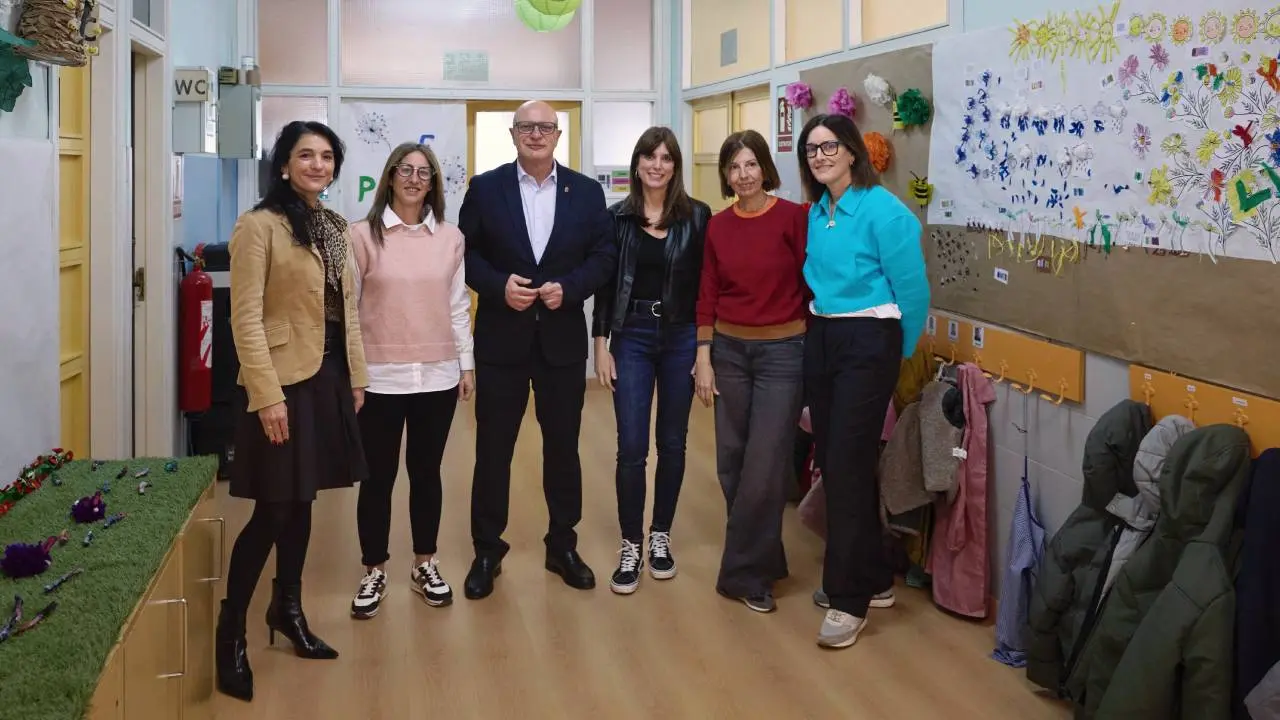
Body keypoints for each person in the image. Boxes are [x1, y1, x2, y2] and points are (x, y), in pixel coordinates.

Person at [218, 120, 369, 701]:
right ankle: (230, 630)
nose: (318, 165)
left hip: (326, 377)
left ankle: (288, 609)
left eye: (327, 156)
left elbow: (344, 310)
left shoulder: (331, 225)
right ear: (283, 164)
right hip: (282, 382)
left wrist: (356, 376)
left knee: (302, 501)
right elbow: (245, 318)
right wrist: (267, 395)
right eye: (305, 155)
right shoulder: (259, 227)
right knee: (274, 510)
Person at [459, 100, 617, 600]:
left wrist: (570, 289)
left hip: (561, 343)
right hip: (501, 340)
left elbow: (604, 256)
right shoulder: (486, 189)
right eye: (526, 127)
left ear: (557, 134)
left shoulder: (587, 193)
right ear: (513, 133)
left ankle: (562, 545)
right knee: (493, 450)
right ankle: (487, 550)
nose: (535, 134)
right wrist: (496, 286)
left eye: (544, 127)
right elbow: (465, 255)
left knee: (563, 449)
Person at [796, 113, 930, 649]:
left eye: (830, 146)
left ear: (854, 152)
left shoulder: (884, 211)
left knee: (848, 465)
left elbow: (913, 292)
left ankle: (848, 598)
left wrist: (893, 354)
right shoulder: (819, 211)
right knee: (835, 461)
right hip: (823, 336)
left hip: (870, 341)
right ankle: (874, 577)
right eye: (811, 150)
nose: (821, 156)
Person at [347, 142, 474, 619]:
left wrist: (466, 364)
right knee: (377, 478)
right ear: (390, 176)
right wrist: (353, 374)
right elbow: (349, 310)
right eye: (407, 170)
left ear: (434, 183)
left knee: (426, 474)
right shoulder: (362, 236)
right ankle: (374, 569)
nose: (415, 179)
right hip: (379, 378)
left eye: (425, 172)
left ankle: (425, 563)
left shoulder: (450, 237)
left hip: (437, 375)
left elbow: (458, 305)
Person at [694, 129, 809, 614]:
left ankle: (740, 575)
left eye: (750, 164)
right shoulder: (718, 226)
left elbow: (812, 281)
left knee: (765, 465)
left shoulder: (793, 219)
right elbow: (707, 292)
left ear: (765, 167)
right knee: (733, 462)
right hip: (729, 353)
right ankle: (766, 559)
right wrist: (703, 355)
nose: (742, 175)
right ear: (725, 174)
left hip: (783, 353)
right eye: (733, 167)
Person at [592, 126, 710, 595]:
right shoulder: (615, 218)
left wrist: (704, 351)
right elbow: (605, 285)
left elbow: (707, 289)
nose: (657, 164)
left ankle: (660, 535)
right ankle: (631, 544)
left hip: (681, 334)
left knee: (674, 443)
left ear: (675, 166)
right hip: (632, 335)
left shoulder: (697, 217)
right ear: (636, 163)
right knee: (632, 446)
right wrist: (600, 342)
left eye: (666, 157)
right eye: (649, 156)